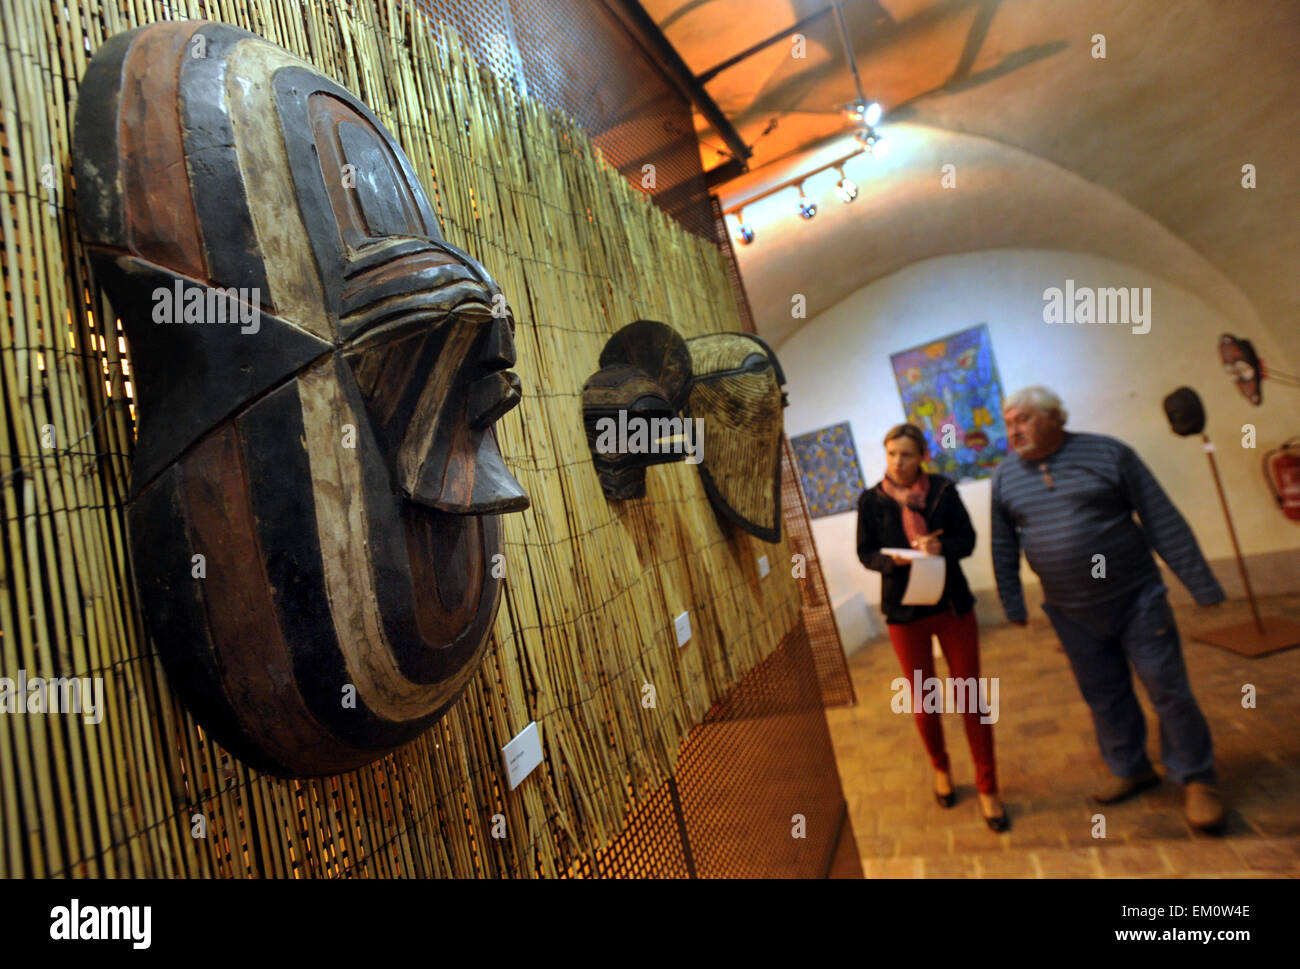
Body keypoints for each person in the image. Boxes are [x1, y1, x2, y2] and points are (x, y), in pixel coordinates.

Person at [991, 386, 1227, 832]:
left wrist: (1201, 583)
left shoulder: (1108, 454)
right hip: (1069, 609)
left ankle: (1197, 778)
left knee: (1167, 688)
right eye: (1008, 423)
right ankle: (1131, 767)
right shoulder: (1005, 477)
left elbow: (1161, 517)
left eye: (1022, 419)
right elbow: (1004, 543)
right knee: (1103, 694)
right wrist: (1011, 601)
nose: (1013, 430)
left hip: (1136, 597)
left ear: (1055, 417)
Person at [857, 423, 1008, 832]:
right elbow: (866, 553)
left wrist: (943, 547)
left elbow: (969, 540)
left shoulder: (942, 491)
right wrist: (893, 561)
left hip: (951, 605)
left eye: (905, 454)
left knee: (970, 697)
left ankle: (988, 787)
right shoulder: (871, 501)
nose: (897, 462)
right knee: (924, 701)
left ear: (921, 455)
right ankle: (941, 771)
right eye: (891, 454)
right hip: (905, 614)